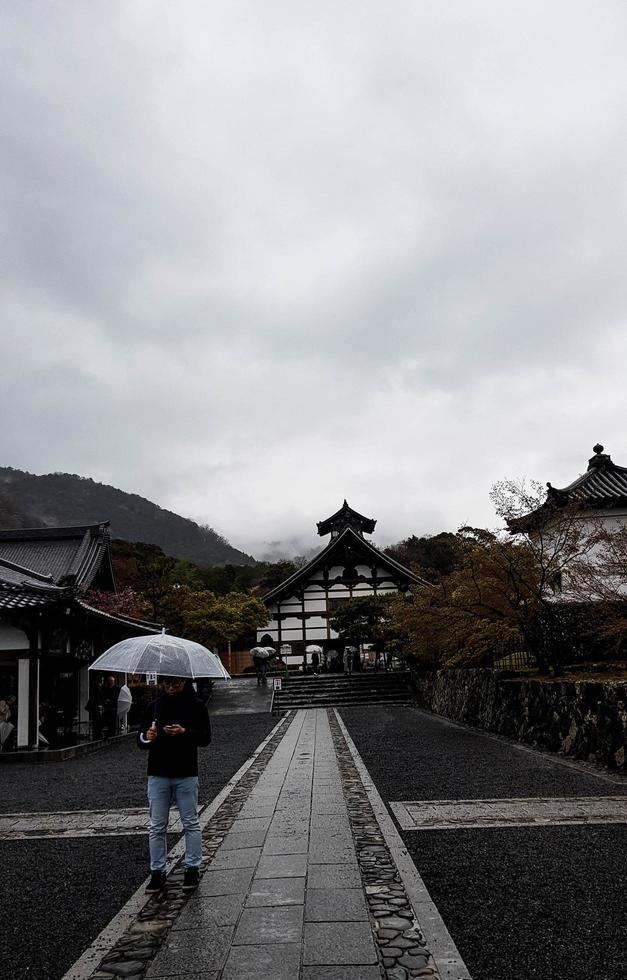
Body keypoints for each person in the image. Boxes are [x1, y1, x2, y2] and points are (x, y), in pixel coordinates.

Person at [137, 676, 211, 893]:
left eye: (175, 683)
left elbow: (205, 738)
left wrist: (184, 732)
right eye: (167, 683)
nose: (170, 687)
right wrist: (147, 737)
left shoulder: (196, 706)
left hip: (186, 771)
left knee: (190, 822)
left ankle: (192, 867)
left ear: (184, 683)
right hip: (158, 772)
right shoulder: (154, 706)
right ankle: (157, 871)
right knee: (157, 825)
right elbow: (140, 740)